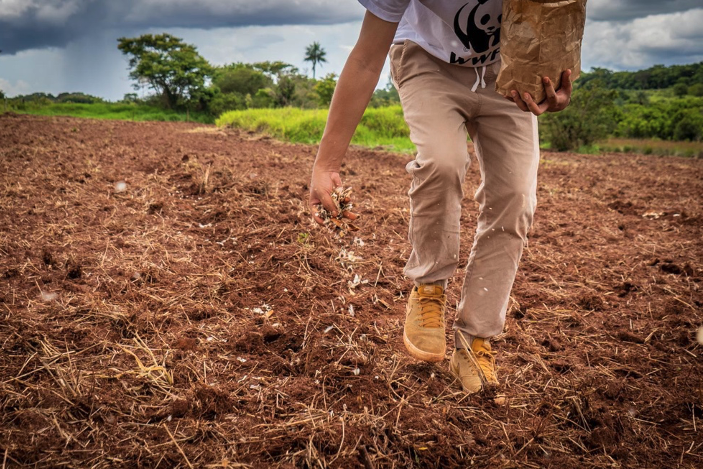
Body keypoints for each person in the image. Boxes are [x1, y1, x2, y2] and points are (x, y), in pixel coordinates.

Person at [309, 0, 572, 394]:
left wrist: (555, 84)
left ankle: (474, 341)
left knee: (516, 197)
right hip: (425, 59)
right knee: (442, 162)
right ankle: (429, 287)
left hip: (509, 69)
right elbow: (366, 58)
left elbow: (560, 28)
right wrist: (325, 162)